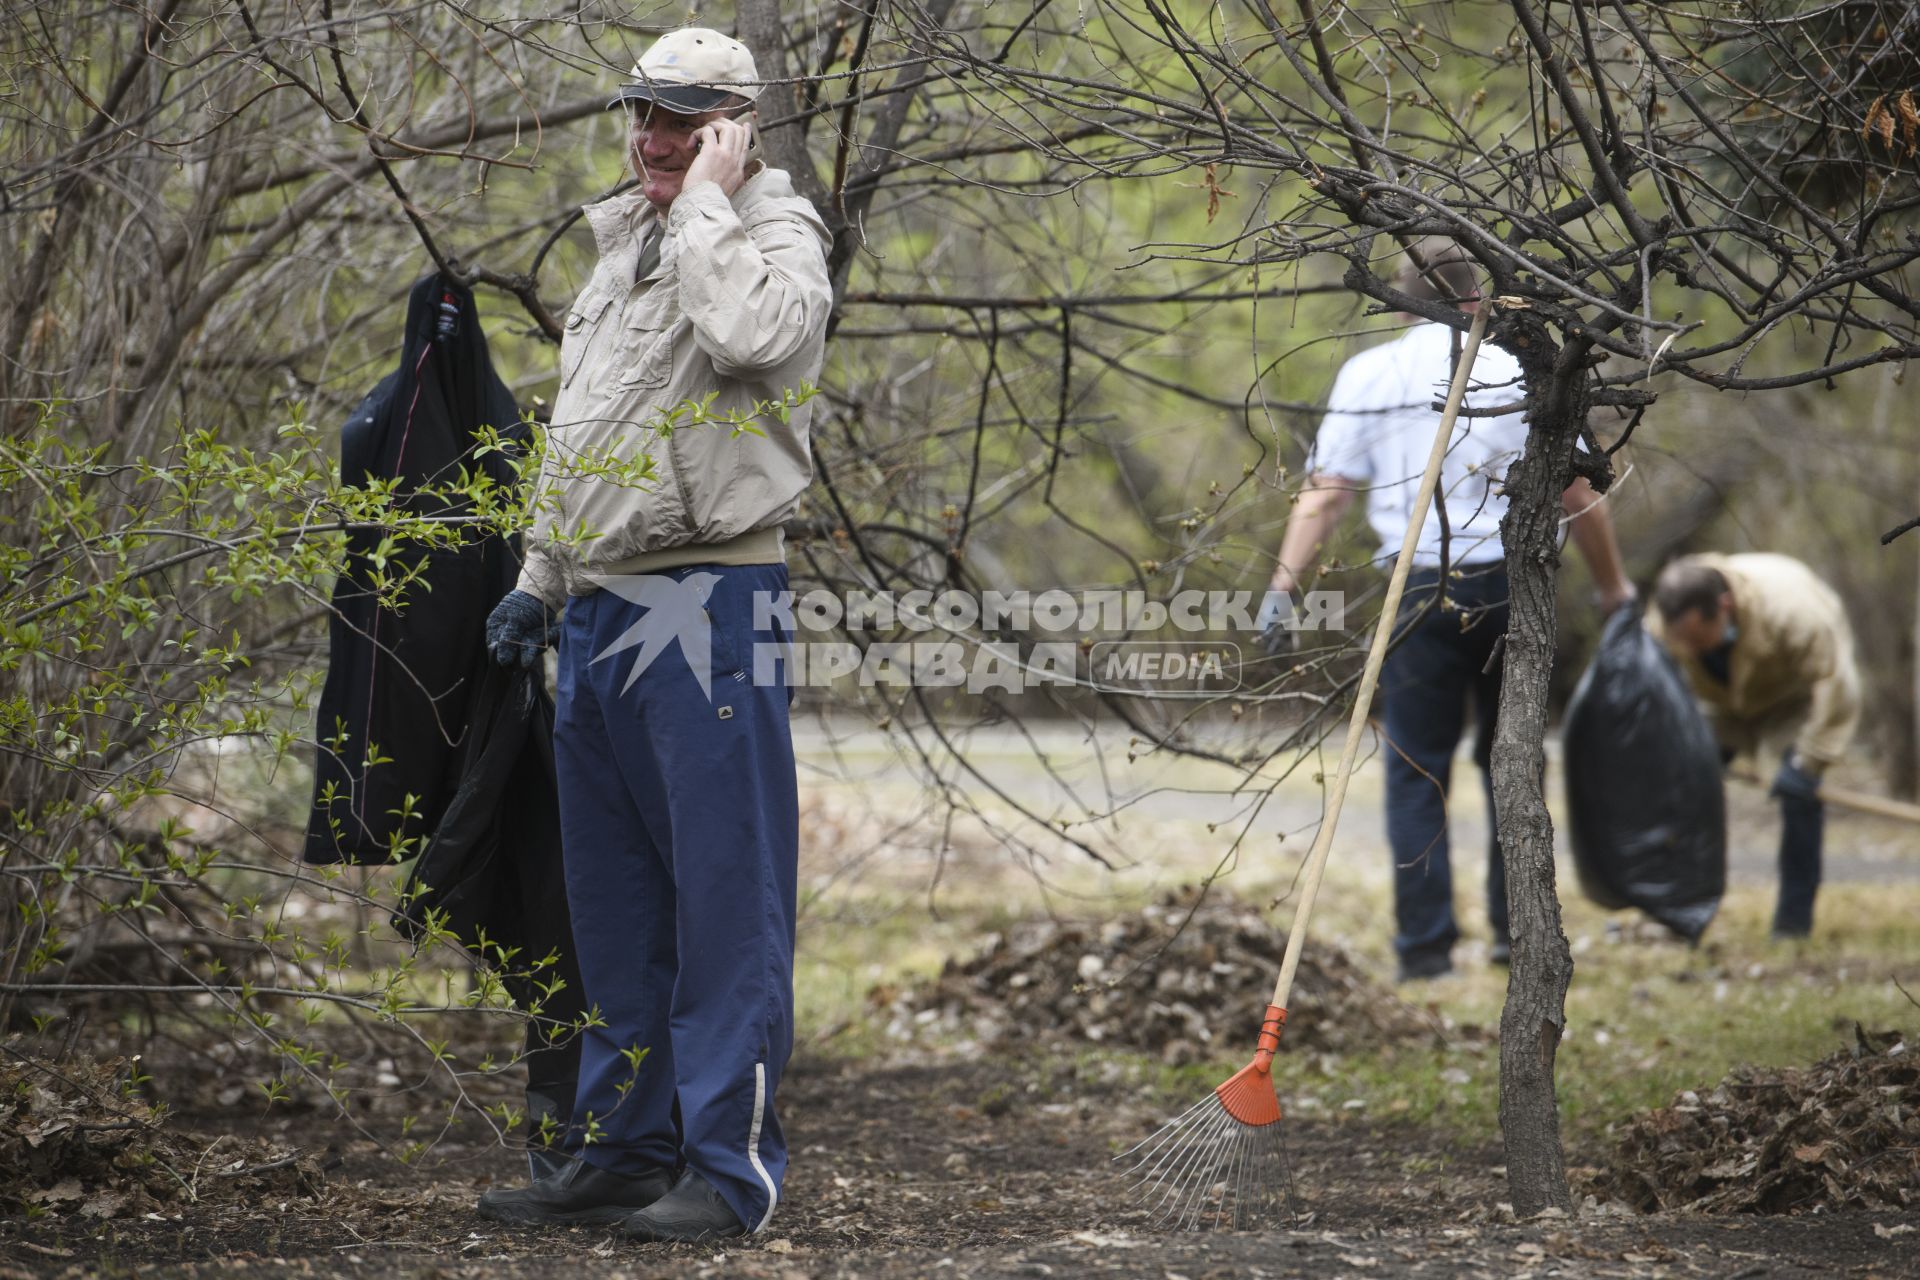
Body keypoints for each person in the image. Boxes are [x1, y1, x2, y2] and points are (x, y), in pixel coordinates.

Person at [476, 28, 831, 1242]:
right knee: (612, 903)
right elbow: (587, 431)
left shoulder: (771, 239)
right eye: (644, 113)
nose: (655, 138)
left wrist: (711, 210)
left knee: (726, 901)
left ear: (736, 126)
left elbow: (752, 342)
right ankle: (625, 1151)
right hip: (605, 605)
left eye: (686, 119)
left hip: (714, 601)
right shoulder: (623, 244)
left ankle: (731, 1173)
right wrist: (539, 575)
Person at [1260, 239, 1635, 982]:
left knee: (1414, 770)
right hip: (1511, 588)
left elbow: (1328, 491)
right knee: (1513, 761)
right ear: (1481, 296)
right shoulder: (1525, 367)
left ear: (1400, 294)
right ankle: (1514, 937)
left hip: (1415, 591)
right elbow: (1579, 494)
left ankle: (1426, 951)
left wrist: (1281, 587)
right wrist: (1613, 587)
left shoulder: (1370, 373)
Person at [1646, 553, 1860, 939]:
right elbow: (1655, 685)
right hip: (1719, 704)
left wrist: (1809, 761)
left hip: (1790, 702)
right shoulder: (1663, 620)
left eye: (1698, 638)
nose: (1690, 649)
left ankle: (1792, 925)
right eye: (1684, 641)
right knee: (1682, 787)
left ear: (1724, 606)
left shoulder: (1795, 611)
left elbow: (1835, 684)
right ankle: (1682, 914)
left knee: (1799, 797)